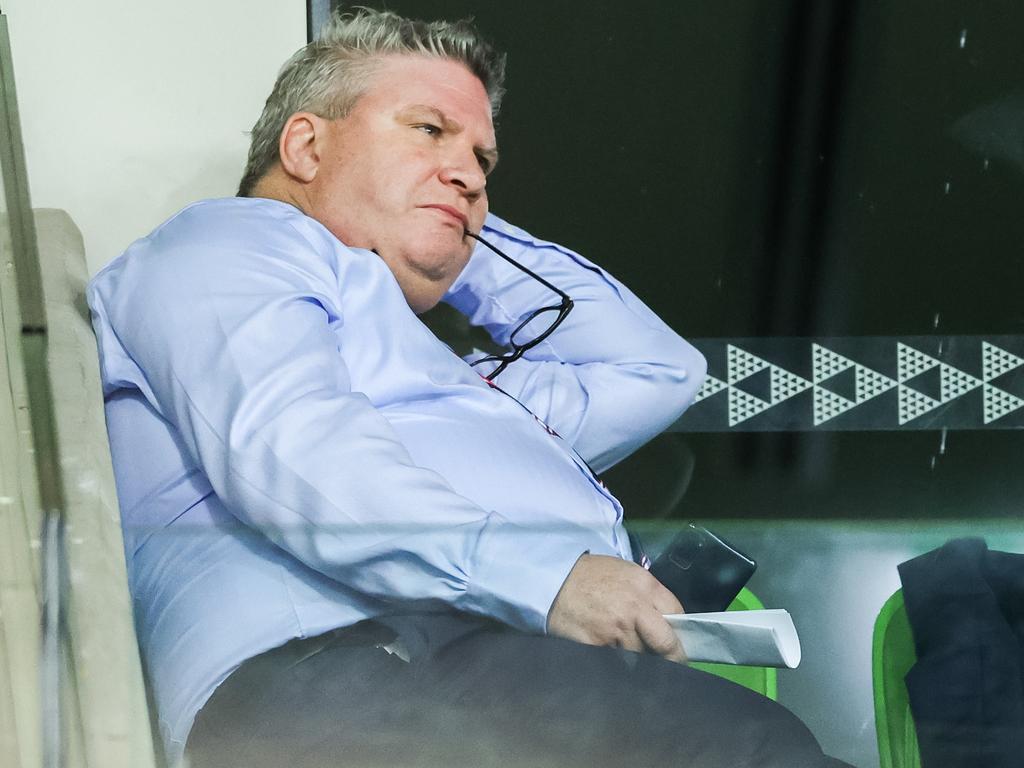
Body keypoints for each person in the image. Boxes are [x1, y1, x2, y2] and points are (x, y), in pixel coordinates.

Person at [88, 8, 850, 768]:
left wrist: (450, 227)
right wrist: (549, 579)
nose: (471, 174)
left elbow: (659, 372)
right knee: (758, 749)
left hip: (468, 672)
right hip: (358, 672)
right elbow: (295, 452)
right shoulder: (228, 243)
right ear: (306, 145)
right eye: (427, 130)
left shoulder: (449, 382)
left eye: (483, 160)